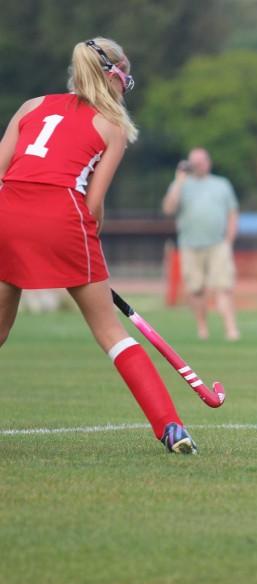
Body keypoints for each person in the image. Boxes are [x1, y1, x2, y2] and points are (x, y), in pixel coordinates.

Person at [0, 38, 197, 454]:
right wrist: (89, 247)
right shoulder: (113, 125)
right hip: (62, 217)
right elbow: (92, 203)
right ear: (116, 76)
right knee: (111, 332)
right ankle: (170, 427)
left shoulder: (32, 106)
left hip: (7, 213)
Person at [162, 147, 240, 341]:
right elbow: (168, 208)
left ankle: (231, 330)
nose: (199, 165)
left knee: (224, 286)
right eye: (194, 162)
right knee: (195, 290)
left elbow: (232, 212)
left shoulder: (221, 184)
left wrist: (229, 239)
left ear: (208, 162)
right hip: (190, 244)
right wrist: (178, 181)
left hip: (218, 244)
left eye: (202, 161)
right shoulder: (181, 185)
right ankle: (202, 328)